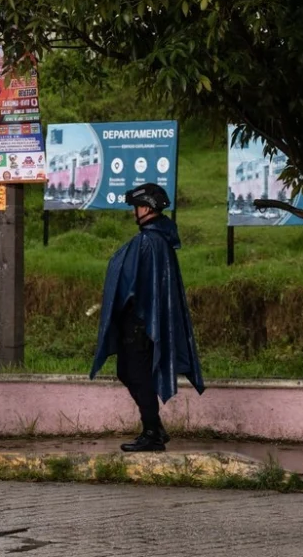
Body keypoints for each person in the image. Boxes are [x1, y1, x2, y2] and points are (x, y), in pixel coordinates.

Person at [90, 183, 205, 452]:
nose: (134, 213)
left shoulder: (148, 242)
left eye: (135, 207)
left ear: (145, 208)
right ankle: (154, 427)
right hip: (146, 321)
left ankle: (152, 432)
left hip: (140, 324)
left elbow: (129, 283)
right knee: (129, 372)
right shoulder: (160, 240)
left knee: (137, 374)